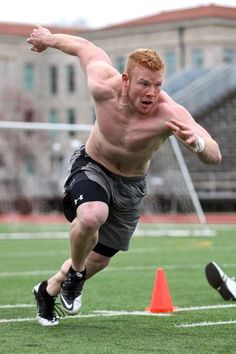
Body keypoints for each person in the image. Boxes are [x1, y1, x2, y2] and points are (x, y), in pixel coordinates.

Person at [27, 24, 222, 326]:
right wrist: (48, 40)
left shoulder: (169, 112)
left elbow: (214, 154)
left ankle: (48, 290)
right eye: (145, 84)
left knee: (101, 259)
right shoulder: (103, 84)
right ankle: (75, 275)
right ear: (126, 79)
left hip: (131, 185)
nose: (152, 93)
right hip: (92, 165)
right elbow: (83, 47)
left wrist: (196, 143)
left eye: (158, 85)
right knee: (92, 215)